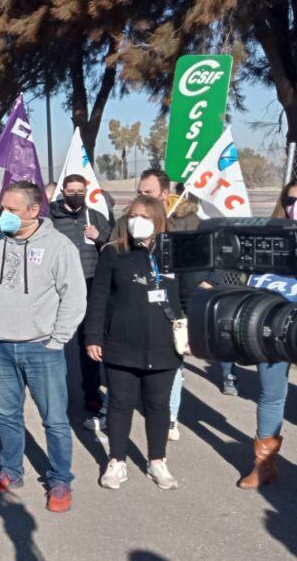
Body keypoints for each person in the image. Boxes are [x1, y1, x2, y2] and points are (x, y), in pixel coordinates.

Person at [0, 181, 86, 513]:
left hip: (42, 349)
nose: (4, 214)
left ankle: (60, 479)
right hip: (0, 346)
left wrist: (57, 339)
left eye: (13, 209)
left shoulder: (58, 246)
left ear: (34, 211)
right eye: (3, 208)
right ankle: (11, 470)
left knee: (54, 419)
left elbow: (74, 297)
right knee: (6, 415)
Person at [84, 196, 181, 490]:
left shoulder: (175, 253)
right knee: (120, 403)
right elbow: (98, 298)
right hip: (121, 344)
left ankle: (157, 461)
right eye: (133, 215)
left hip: (164, 345)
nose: (138, 220)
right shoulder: (114, 253)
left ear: (159, 220)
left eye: (146, 216)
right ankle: (116, 461)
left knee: (157, 405)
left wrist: (193, 334)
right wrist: (93, 336)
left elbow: (188, 297)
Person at [233, 180, 296, 489]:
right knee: (271, 395)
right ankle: (263, 464)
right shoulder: (269, 242)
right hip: (273, 331)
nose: (294, 206)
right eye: (290, 200)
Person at [135, 168, 200, 441]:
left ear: (165, 193)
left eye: (147, 193)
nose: (142, 197)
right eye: (139, 192)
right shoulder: (132, 218)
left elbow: (191, 272)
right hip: (138, 304)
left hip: (172, 308)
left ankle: (170, 417)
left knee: (173, 365)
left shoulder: (185, 222)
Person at [48, 174, 112, 427]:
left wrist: (99, 237)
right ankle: (56, 396)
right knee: (57, 345)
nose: (76, 194)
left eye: (80, 190)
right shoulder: (51, 219)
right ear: (63, 191)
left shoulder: (95, 217)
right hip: (58, 289)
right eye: (71, 190)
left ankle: (92, 394)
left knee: (90, 346)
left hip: (90, 287)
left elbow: (113, 247)